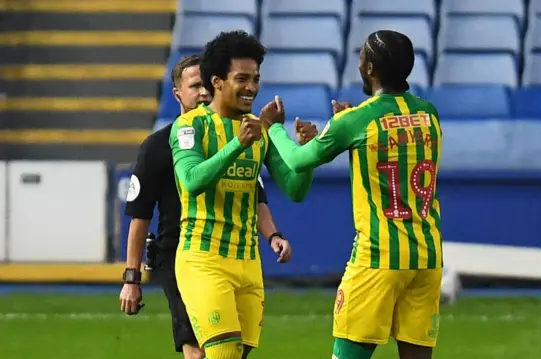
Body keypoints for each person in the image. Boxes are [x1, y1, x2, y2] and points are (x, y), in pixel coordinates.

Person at [262, 30, 444, 359]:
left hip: (379, 256)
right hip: (427, 256)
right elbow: (394, 141)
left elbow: (298, 160)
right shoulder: (429, 113)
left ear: (371, 69)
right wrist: (348, 121)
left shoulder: (356, 120)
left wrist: (274, 127)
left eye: (362, 61)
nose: (359, 67)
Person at [119, 54, 314, 359]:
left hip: (243, 256)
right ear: (178, 94)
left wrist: (274, 234)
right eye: (194, 85)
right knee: (201, 351)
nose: (202, 93)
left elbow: (263, 193)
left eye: (204, 85)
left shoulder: (249, 133)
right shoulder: (161, 144)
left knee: (233, 352)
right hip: (181, 253)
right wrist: (132, 276)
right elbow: (142, 213)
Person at [169, 31, 316, 359]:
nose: (252, 87)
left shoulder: (258, 130)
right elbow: (192, 181)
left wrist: (308, 157)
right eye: (242, 78)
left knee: (236, 355)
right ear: (217, 82)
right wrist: (238, 145)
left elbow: (294, 189)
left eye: (256, 78)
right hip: (203, 260)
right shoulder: (191, 127)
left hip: (248, 261)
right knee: (223, 353)